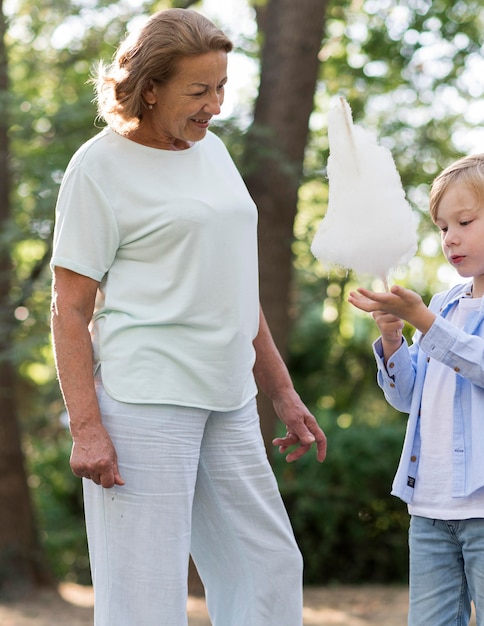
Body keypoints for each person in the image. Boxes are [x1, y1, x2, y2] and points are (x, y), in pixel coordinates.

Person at [49, 8, 326, 626]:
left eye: (222, 86)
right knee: (145, 591)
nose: (215, 105)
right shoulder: (99, 167)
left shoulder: (214, 152)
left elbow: (234, 285)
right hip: (144, 398)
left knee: (268, 567)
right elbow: (70, 308)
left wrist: (280, 390)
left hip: (226, 394)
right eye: (199, 91)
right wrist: (86, 427)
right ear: (149, 88)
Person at [348, 154, 484, 626]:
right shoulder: (444, 303)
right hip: (429, 505)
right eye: (443, 227)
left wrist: (422, 319)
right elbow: (408, 398)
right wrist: (392, 337)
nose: (450, 238)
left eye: (464, 222)